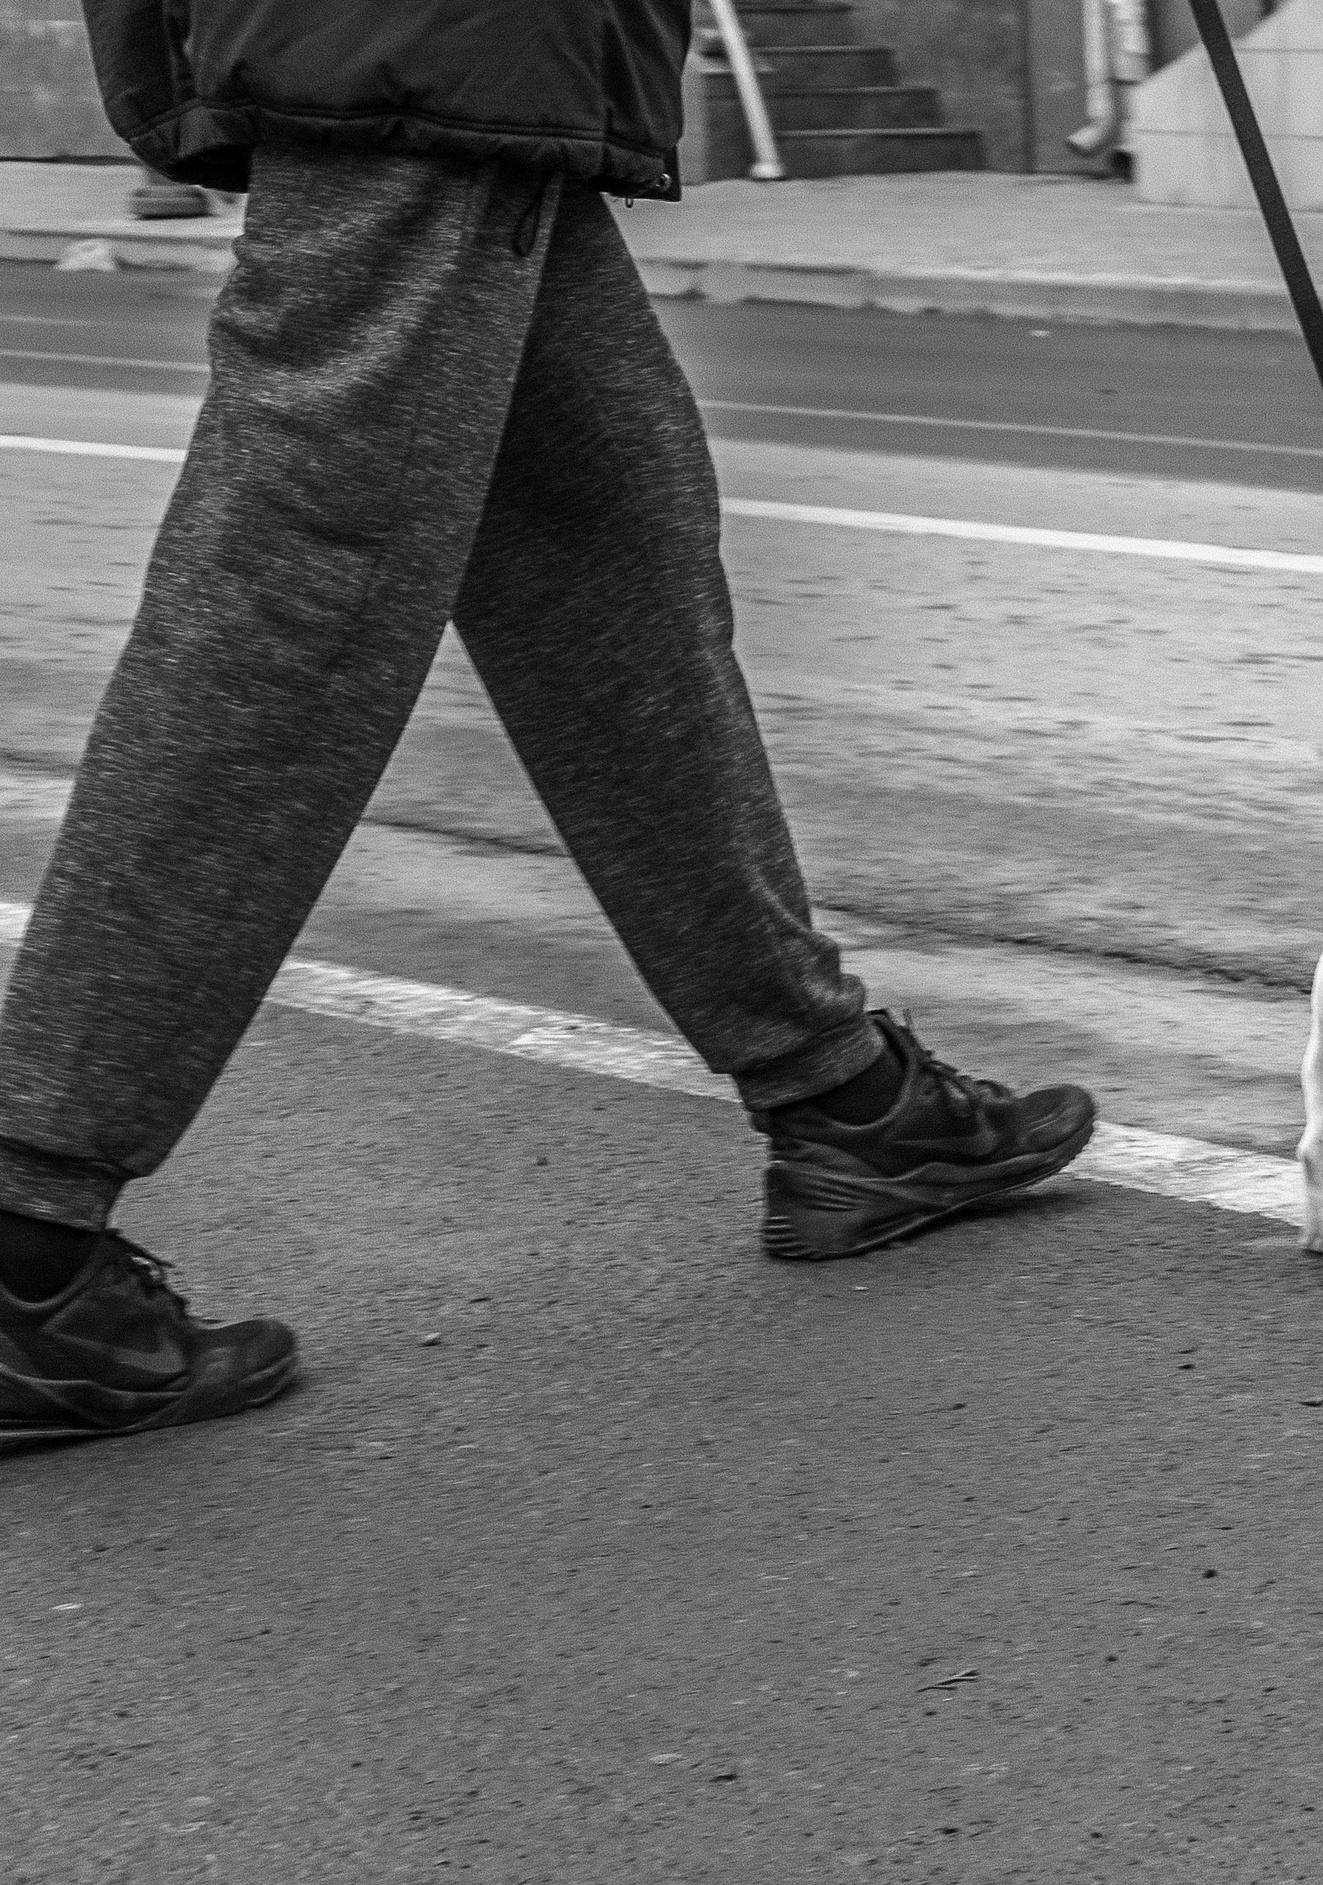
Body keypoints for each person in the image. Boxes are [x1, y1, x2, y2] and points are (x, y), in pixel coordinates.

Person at [0, 0, 1097, 1452]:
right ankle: (28, 1237)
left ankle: (841, 1098)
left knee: (610, 544)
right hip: (431, 40)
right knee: (295, 607)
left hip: (463, 54)